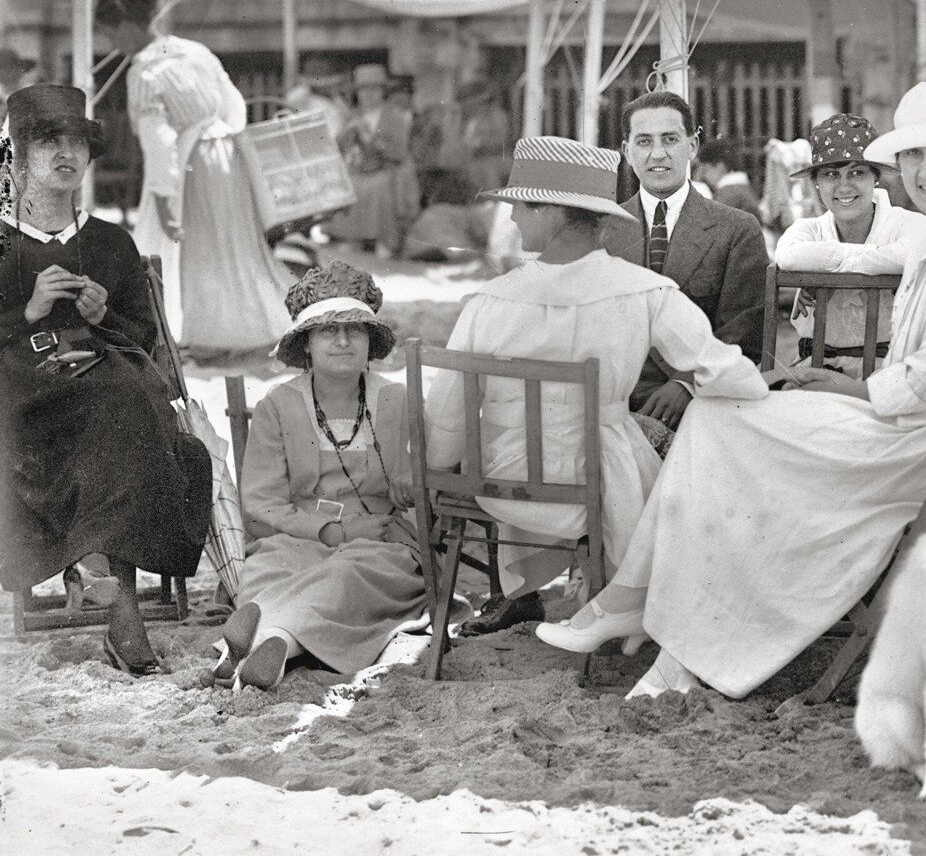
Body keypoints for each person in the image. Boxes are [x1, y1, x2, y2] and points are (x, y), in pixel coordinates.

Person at [535, 80, 926, 710]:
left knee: (723, 432)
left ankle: (669, 635)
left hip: (920, 444)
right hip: (920, 423)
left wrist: (849, 388)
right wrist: (846, 388)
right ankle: (646, 612)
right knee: (720, 422)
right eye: (915, 157)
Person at [423, 136, 767, 636]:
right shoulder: (645, 290)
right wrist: (762, 389)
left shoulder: (490, 301)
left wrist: (436, 468)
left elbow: (448, 419)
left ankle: (533, 592)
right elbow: (727, 372)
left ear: (552, 213)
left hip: (498, 488)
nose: (514, 219)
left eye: (520, 206)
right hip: (600, 490)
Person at [0, 83, 210, 674]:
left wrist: (102, 316)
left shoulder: (111, 243)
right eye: (47, 141)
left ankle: (100, 580)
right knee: (113, 409)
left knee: (123, 402)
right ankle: (115, 609)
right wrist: (29, 312)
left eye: (76, 142)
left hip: (101, 385)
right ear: (15, 156)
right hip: (21, 393)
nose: (65, 153)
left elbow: (145, 339)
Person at [223, 262, 424, 689]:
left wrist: (408, 486)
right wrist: (329, 532)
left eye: (355, 329)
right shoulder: (279, 405)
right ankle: (270, 640)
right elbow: (262, 503)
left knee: (347, 577)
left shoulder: (395, 399)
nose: (342, 340)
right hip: (297, 538)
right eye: (327, 331)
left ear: (371, 342)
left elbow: (416, 484)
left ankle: (261, 642)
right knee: (272, 570)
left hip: (376, 542)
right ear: (306, 345)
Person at [98, 0, 292, 356]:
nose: (112, 44)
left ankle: (213, 334)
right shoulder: (194, 50)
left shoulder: (145, 71)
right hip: (227, 155)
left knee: (196, 246)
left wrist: (164, 199)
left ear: (125, 26)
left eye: (111, 34)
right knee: (229, 242)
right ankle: (243, 327)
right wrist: (219, 137)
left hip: (191, 162)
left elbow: (159, 143)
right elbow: (234, 104)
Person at [600, 90, 768, 422]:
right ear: (626, 151)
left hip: (703, 407)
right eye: (644, 141)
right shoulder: (603, 229)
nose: (658, 154)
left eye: (670, 139)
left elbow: (744, 332)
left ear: (692, 146)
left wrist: (688, 383)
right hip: (612, 406)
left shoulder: (737, 229)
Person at [775, 113, 926, 369]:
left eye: (857, 172)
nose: (844, 186)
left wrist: (821, 270)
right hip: (816, 368)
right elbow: (787, 256)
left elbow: (913, 249)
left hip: (885, 371)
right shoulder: (808, 229)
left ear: (876, 176)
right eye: (830, 175)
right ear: (815, 182)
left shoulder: (908, 224)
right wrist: (879, 261)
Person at [327, 63, 419, 258]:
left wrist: (371, 139)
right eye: (363, 90)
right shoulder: (353, 115)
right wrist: (348, 132)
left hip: (387, 169)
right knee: (348, 184)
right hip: (359, 169)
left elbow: (399, 152)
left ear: (382, 91)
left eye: (374, 89)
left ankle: (384, 242)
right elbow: (338, 149)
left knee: (378, 187)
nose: (368, 95)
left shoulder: (394, 116)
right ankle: (351, 239)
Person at [696, 141, 762, 219]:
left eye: (705, 170)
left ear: (719, 166)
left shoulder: (727, 194)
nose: (704, 176)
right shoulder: (743, 189)